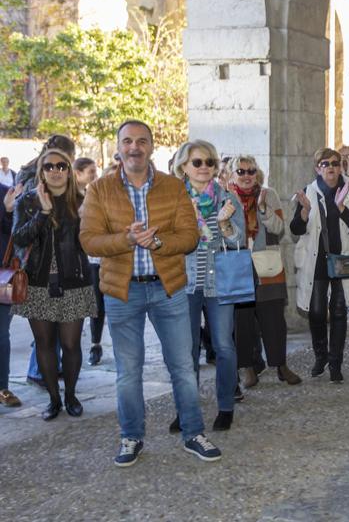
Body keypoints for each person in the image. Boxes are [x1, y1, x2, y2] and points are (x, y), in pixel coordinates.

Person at [80, 120, 221, 467]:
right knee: (129, 371)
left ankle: (193, 433)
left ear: (151, 146)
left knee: (183, 368)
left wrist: (158, 241)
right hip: (121, 291)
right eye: (127, 141)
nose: (134, 147)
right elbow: (89, 240)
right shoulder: (99, 189)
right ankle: (131, 436)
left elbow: (189, 237)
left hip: (167, 287)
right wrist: (125, 240)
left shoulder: (173, 187)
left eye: (141, 141)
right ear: (118, 147)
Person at [12, 146, 98, 421]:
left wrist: (87, 220)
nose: (56, 171)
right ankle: (53, 399)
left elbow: (89, 244)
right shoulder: (27, 201)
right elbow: (20, 239)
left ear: (69, 171)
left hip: (74, 282)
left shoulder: (82, 200)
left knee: (71, 344)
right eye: (49, 166)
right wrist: (42, 213)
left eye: (61, 166)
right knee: (44, 344)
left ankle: (71, 395)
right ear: (41, 171)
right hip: (37, 284)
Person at [173, 140, 245, 431]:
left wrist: (225, 223)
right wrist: (188, 220)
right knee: (186, 350)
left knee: (224, 346)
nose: (204, 168)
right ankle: (185, 410)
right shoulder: (174, 199)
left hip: (220, 281)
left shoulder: (228, 198)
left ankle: (225, 405)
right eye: (197, 162)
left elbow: (236, 242)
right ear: (183, 166)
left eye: (210, 163)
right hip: (185, 283)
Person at [229, 156, 301, 387]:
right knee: (243, 321)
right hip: (238, 265)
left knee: (274, 320)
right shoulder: (225, 197)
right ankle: (248, 368)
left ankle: (280, 365)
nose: (247, 175)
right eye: (241, 171)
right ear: (233, 174)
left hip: (268, 265)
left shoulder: (269, 194)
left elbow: (279, 228)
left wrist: (262, 209)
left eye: (251, 170)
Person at [292, 148, 349, 381]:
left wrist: (343, 209)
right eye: (325, 163)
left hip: (343, 258)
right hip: (317, 261)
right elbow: (295, 229)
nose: (331, 167)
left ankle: (335, 363)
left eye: (335, 162)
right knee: (317, 311)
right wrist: (304, 212)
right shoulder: (307, 192)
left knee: (340, 311)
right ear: (317, 168)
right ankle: (320, 355)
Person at [73, 157, 106, 365]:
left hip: (99, 257)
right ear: (78, 173)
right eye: (90, 172)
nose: (94, 175)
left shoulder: (97, 193)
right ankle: (89, 344)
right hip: (80, 259)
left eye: (95, 171)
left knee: (100, 302)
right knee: (88, 304)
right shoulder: (72, 197)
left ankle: (96, 343)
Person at [0, 181, 20, 408]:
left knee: (1, 335)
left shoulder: (8, 192)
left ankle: (2, 388)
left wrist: (7, 211)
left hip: (2, 276)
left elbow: (14, 234)